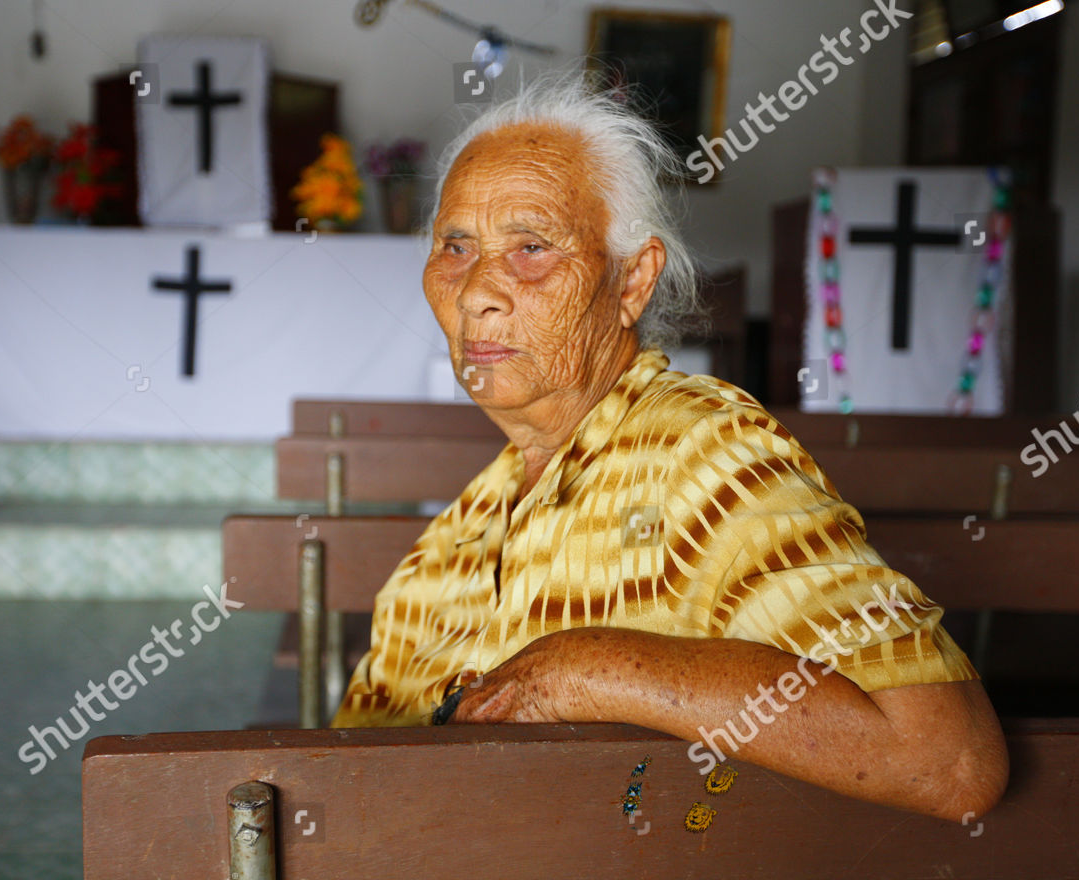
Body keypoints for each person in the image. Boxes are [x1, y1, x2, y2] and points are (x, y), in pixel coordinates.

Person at [329, 70, 1007, 822]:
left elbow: (946, 759)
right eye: (455, 245)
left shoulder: (706, 453)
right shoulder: (452, 539)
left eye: (530, 247)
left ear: (632, 282)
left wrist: (581, 669)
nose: (478, 289)